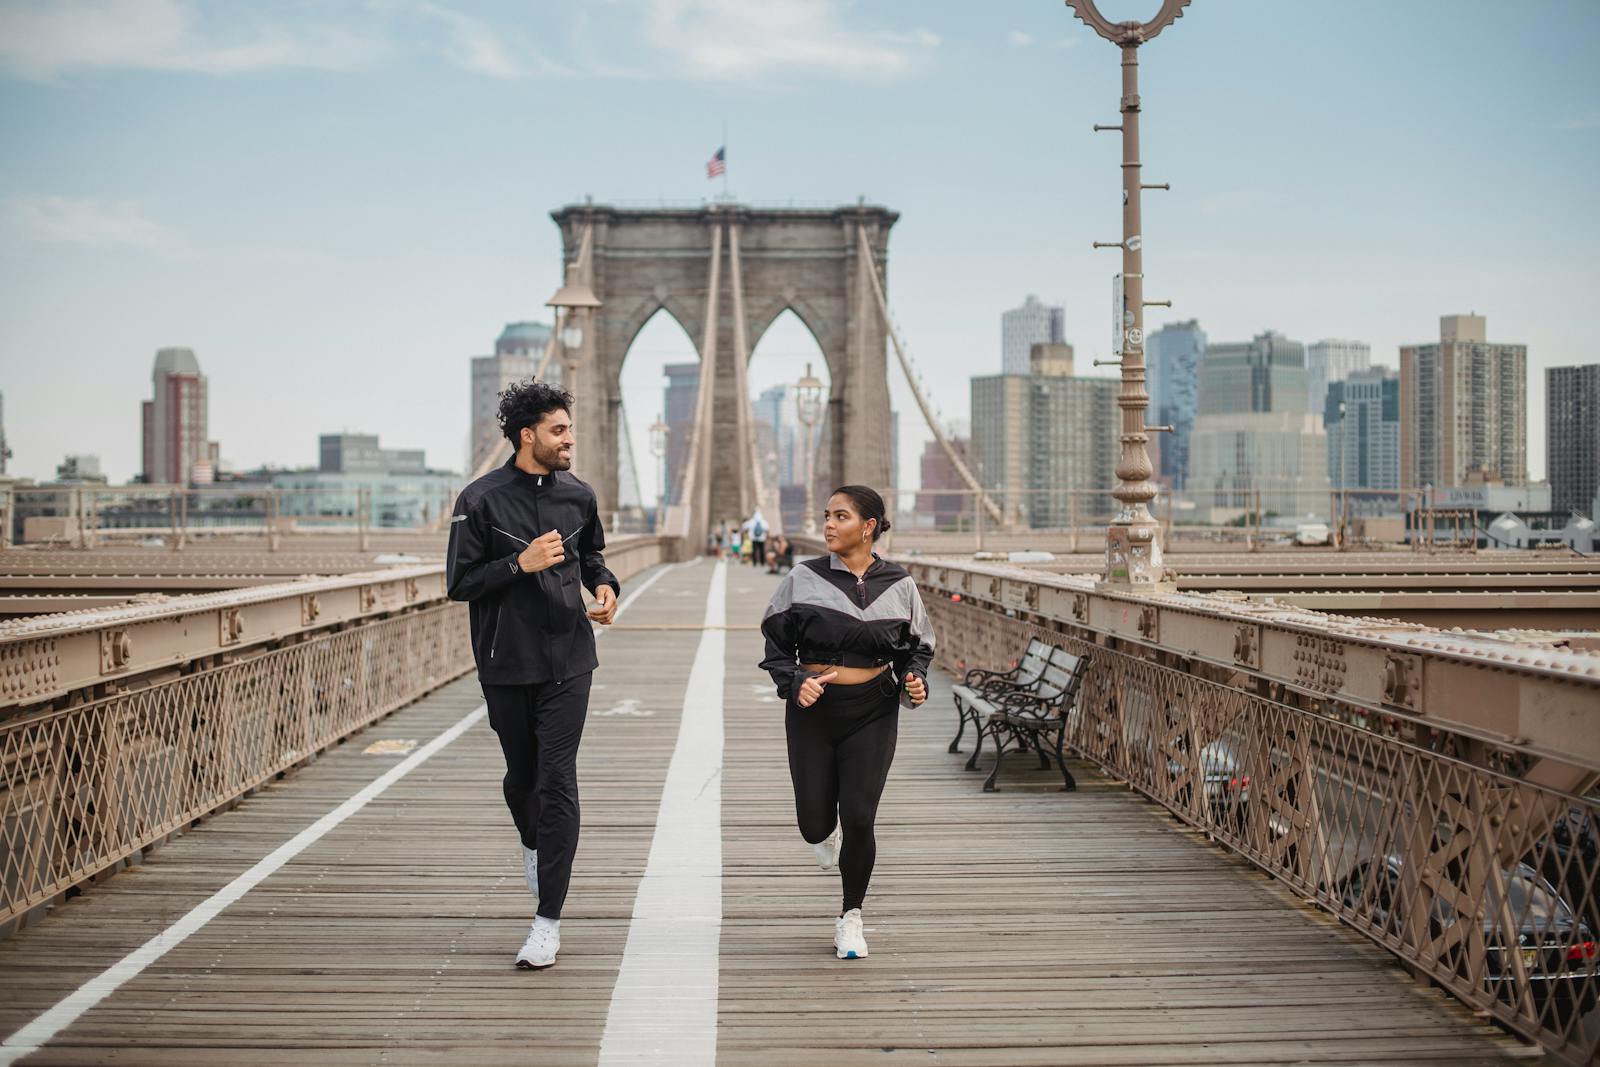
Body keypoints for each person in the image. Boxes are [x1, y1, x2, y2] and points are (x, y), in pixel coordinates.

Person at [446, 379, 619, 971]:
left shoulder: (580, 496)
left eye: (569, 428)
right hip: (506, 662)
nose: (570, 438)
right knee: (523, 779)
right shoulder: (480, 499)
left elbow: (592, 555)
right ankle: (530, 840)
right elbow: (460, 583)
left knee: (557, 779)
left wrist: (604, 586)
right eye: (559, 430)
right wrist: (518, 564)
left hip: (570, 658)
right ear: (528, 436)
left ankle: (547, 921)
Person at [758, 485, 933, 960]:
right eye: (826, 516)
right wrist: (796, 682)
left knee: (860, 817)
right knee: (815, 824)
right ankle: (822, 834)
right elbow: (775, 646)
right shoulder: (802, 577)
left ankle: (850, 916)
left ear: (868, 527)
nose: (828, 525)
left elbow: (918, 645)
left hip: (873, 708)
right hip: (813, 713)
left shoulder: (900, 583)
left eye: (840, 516)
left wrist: (914, 678)